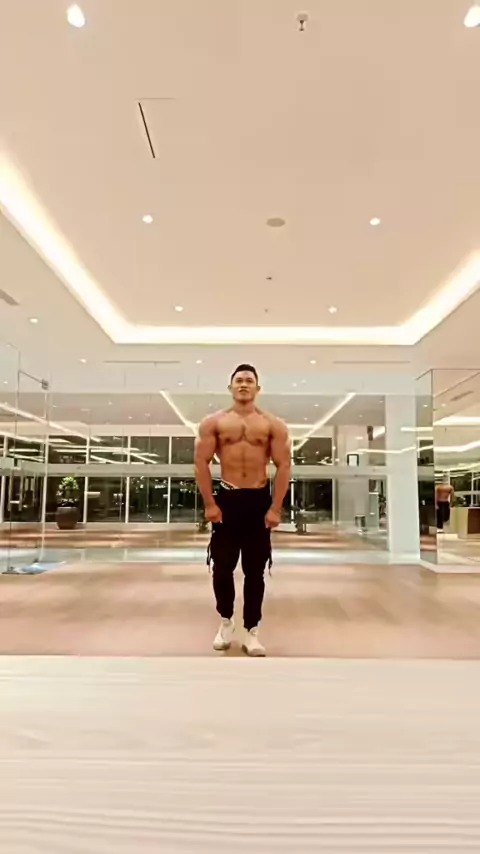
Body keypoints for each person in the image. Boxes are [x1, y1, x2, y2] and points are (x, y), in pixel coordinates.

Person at [194, 364, 291, 656]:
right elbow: (201, 463)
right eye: (239, 380)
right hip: (228, 499)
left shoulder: (273, 424)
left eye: (249, 380)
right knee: (221, 568)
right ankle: (226, 621)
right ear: (231, 387)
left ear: (257, 388)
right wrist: (210, 503)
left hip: (258, 501)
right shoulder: (214, 422)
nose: (244, 384)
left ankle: (251, 630)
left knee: (255, 571)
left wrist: (275, 508)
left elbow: (284, 466)